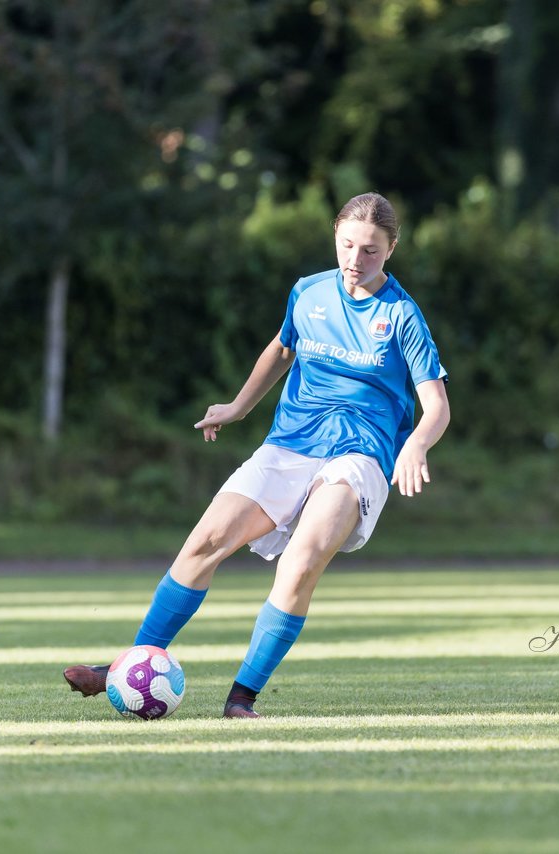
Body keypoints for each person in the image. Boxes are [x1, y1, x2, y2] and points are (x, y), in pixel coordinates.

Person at [63, 192, 450, 718]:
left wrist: (417, 444)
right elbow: (283, 348)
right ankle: (124, 666)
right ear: (335, 235)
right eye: (348, 246)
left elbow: (437, 406)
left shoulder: (402, 315)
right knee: (204, 542)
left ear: (392, 250)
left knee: (300, 562)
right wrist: (240, 406)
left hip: (359, 457)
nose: (356, 261)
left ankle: (241, 698)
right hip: (291, 443)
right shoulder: (309, 293)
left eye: (372, 252)